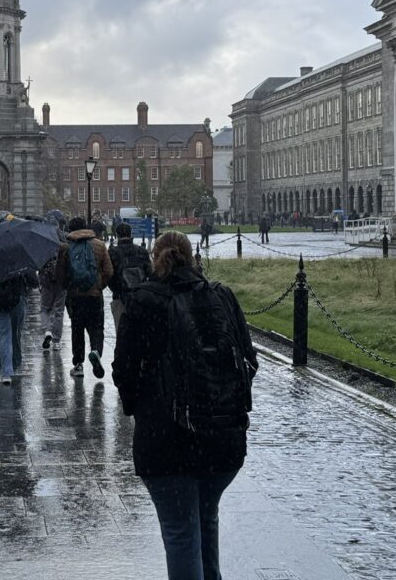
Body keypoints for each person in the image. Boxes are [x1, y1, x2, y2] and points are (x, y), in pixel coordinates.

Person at [112, 231, 258, 580]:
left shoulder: (143, 301)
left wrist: (139, 408)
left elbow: (123, 371)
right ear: (193, 257)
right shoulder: (221, 297)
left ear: (154, 258)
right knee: (206, 523)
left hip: (165, 439)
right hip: (223, 436)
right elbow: (248, 361)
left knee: (180, 535)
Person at [56, 216, 113, 379]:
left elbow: (60, 274)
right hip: (95, 296)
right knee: (96, 328)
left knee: (77, 329)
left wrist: (68, 287)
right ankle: (96, 350)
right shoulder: (100, 245)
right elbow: (109, 271)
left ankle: (78, 364)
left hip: (75, 296)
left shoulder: (66, 247)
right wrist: (99, 285)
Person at [0, 269, 38, 385]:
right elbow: (34, 281)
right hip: (16, 300)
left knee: (4, 335)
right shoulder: (20, 257)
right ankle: (12, 365)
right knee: (15, 333)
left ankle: (6, 369)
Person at [107, 221, 152, 331]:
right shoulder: (141, 251)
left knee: (121, 330)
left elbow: (108, 274)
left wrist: (116, 289)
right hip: (140, 296)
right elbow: (150, 273)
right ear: (130, 234)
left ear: (117, 235)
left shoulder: (112, 252)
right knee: (140, 331)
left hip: (120, 295)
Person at [39, 220, 67, 351]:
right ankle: (56, 340)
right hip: (61, 282)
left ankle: (47, 331)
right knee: (59, 311)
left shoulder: (42, 243)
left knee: (45, 309)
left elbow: (38, 263)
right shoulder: (64, 243)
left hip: (46, 281)